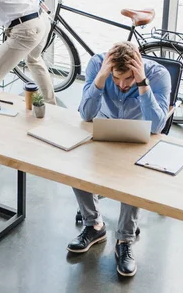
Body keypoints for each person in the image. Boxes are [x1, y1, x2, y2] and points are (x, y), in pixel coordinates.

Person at [67, 41, 171, 277]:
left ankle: (125, 240)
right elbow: (85, 114)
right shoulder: (97, 64)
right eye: (117, 79)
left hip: (140, 137)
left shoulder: (158, 75)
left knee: (133, 177)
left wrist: (142, 83)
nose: (123, 86)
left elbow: (156, 126)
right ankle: (94, 226)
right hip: (103, 131)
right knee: (73, 161)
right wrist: (102, 78)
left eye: (129, 79)